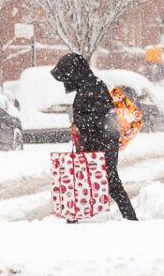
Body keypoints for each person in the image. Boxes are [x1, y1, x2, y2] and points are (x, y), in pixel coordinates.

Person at [51, 53, 137, 221]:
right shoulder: (87, 86)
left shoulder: (93, 87)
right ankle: (76, 215)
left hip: (102, 143)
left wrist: (80, 125)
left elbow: (101, 117)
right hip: (96, 141)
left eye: (66, 77)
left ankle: (131, 219)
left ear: (74, 73)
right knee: (83, 177)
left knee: (109, 182)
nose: (65, 83)